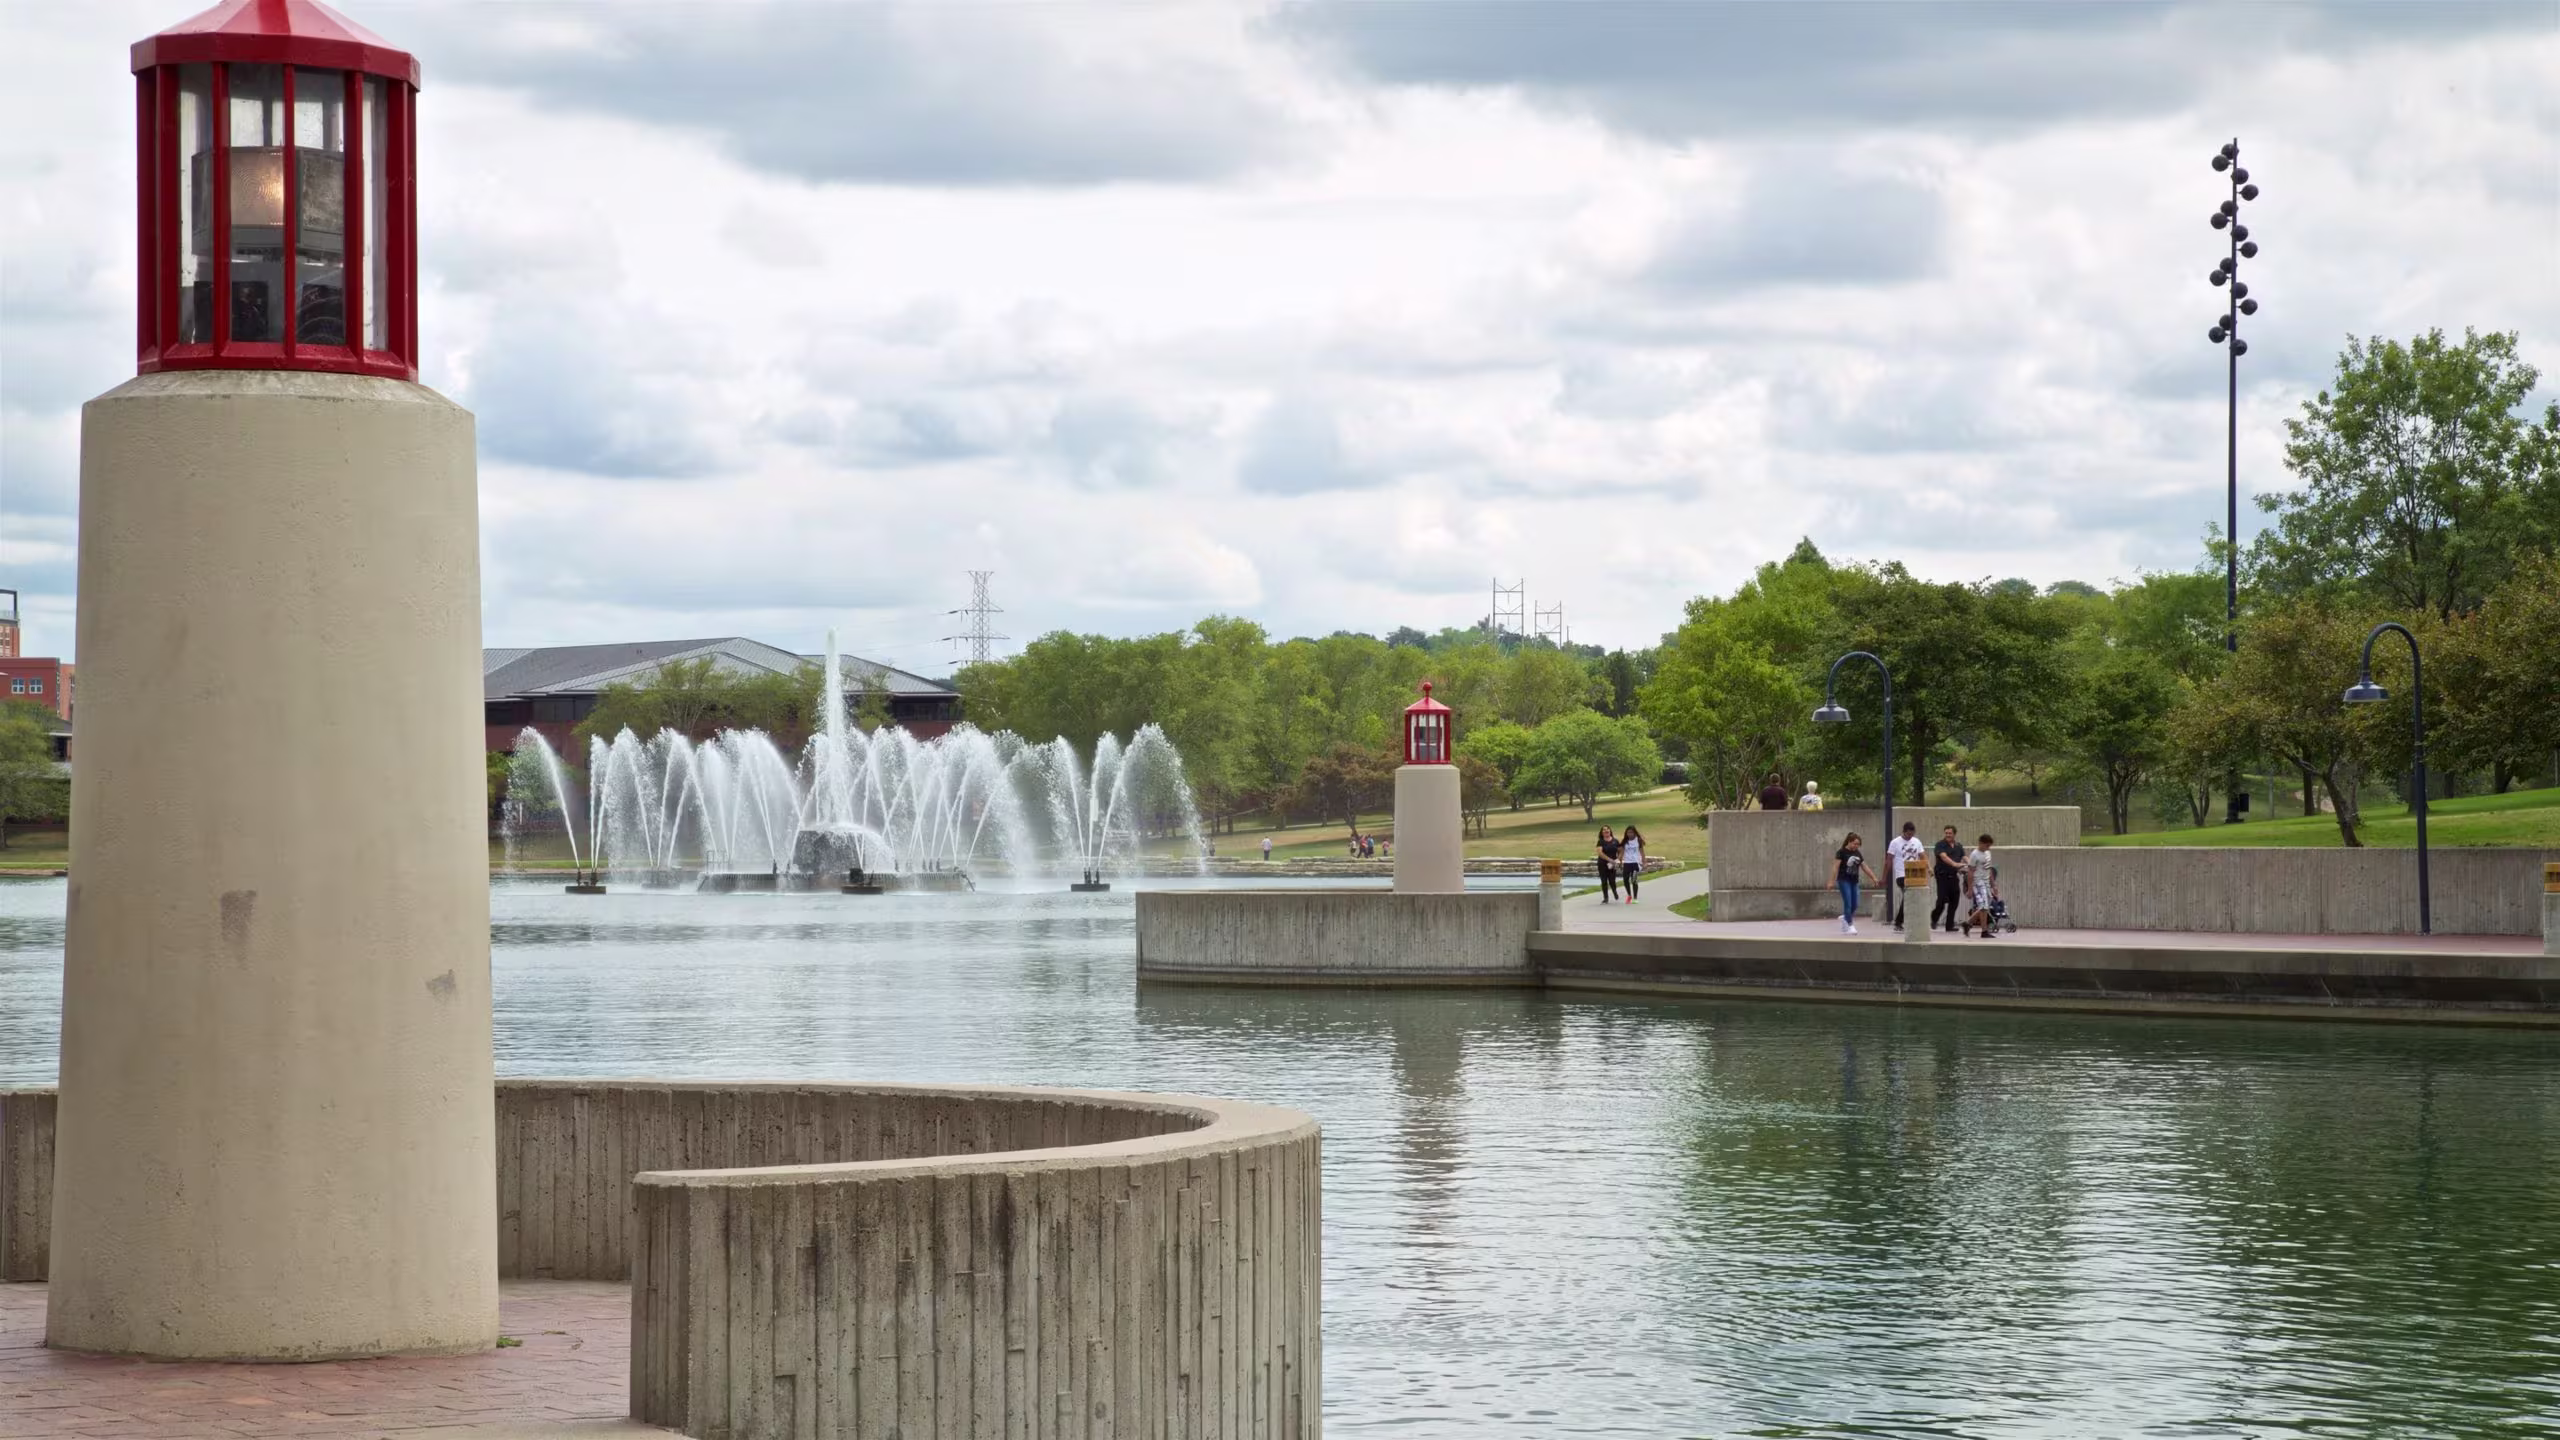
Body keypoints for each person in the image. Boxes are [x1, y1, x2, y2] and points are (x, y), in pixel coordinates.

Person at [1832, 831, 1877, 935]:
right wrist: (1831, 881)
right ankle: (1850, 925)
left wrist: (1874, 878)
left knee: (1855, 904)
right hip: (1844, 880)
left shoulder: (1857, 853)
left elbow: (1864, 867)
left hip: (1854, 881)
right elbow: (1835, 867)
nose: (1856, 846)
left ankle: (1845, 917)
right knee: (1848, 903)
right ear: (1849, 842)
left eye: (1858, 844)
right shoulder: (1841, 852)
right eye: (1855, 844)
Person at [1883, 821, 1924, 931]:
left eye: (1912, 834)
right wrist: (1884, 877)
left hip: (1914, 874)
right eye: (1908, 834)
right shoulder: (1895, 842)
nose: (1910, 837)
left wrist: (1928, 869)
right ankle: (1898, 922)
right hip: (1901, 874)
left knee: (1911, 898)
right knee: (1908, 896)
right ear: (1904, 832)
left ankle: (1903, 922)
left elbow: (1922, 856)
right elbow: (1888, 860)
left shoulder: (1916, 841)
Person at [1929, 825, 1965, 933]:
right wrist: (1955, 864)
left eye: (1950, 833)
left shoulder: (1958, 846)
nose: (1948, 835)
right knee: (1941, 901)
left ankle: (1949, 926)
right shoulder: (1940, 845)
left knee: (1954, 901)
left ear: (1954, 834)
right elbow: (1943, 857)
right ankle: (1934, 918)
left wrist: (1970, 864)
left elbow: (1964, 857)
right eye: (1946, 833)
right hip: (1942, 876)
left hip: (1954, 876)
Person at [1963, 832, 1998, 938]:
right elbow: (1970, 872)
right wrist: (1969, 889)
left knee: (1984, 907)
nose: (1988, 848)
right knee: (1983, 906)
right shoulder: (1974, 855)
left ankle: (1968, 923)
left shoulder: (1987, 853)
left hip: (1986, 881)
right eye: (1986, 845)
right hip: (1978, 882)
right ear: (1980, 843)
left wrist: (1993, 885)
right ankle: (1984, 931)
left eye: (1989, 846)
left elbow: (1989, 869)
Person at [1619, 825, 1647, 900]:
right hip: (1627, 863)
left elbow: (1642, 852)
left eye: (1631, 832)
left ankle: (1635, 897)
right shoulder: (1625, 841)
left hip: (1635, 863)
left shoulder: (1638, 840)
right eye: (1628, 832)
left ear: (1635, 833)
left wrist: (1644, 863)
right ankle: (1629, 895)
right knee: (1625, 880)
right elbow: (1621, 852)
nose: (1629, 834)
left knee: (1634, 880)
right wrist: (1620, 861)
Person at [1595, 826, 1621, 903]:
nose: (1606, 831)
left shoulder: (1615, 841)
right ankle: (1606, 898)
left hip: (1612, 865)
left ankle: (1614, 891)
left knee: (1612, 881)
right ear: (1602, 833)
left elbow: (1621, 851)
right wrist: (1610, 860)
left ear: (1610, 831)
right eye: (1604, 830)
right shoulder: (1600, 841)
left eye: (1607, 829)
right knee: (1604, 881)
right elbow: (1600, 853)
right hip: (1602, 864)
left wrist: (1618, 859)